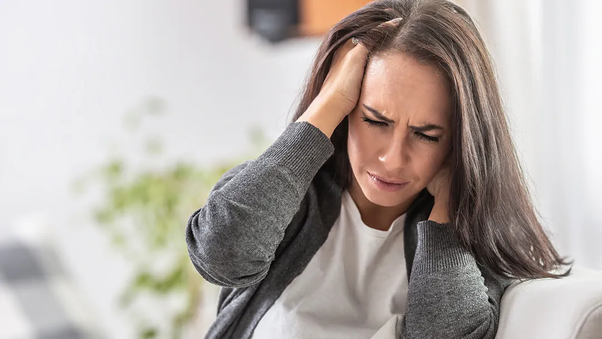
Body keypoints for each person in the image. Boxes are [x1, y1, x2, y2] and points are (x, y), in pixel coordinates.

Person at [185, 0, 574, 338]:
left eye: (425, 135)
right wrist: (329, 100)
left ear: (460, 141)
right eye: (375, 121)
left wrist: (446, 223)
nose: (393, 158)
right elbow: (223, 255)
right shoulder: (283, 192)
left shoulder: (472, 244)